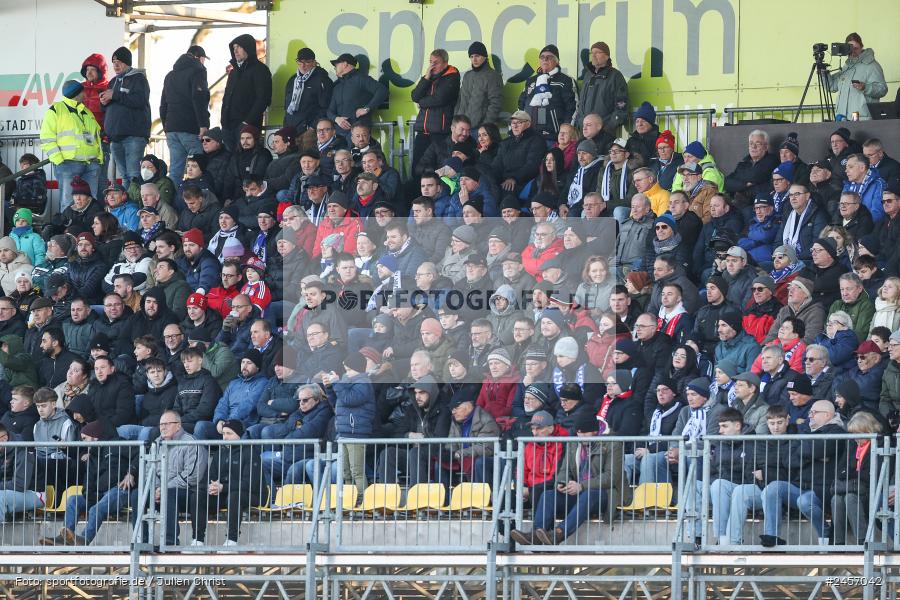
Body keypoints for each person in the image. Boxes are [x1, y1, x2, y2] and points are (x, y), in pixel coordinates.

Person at [519, 410, 623, 545]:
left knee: (589, 495)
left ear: (594, 431)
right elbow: (564, 470)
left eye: (585, 432)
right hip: (579, 491)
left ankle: (558, 533)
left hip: (606, 494)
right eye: (579, 432)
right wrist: (562, 483)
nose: (581, 436)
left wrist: (582, 486)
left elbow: (610, 477)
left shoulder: (613, 445)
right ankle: (536, 535)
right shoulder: (574, 443)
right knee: (548, 495)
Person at [760, 400, 846, 547]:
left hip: (822, 488)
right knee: (773, 488)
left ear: (827, 415)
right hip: (800, 485)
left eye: (814, 412)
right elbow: (788, 459)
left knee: (804, 502)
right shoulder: (805, 429)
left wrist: (804, 452)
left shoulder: (837, 431)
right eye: (810, 412)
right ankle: (772, 536)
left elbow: (816, 449)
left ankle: (824, 533)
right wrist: (813, 456)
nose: (810, 415)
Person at [38, 420, 134, 547]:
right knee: (73, 500)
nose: (83, 442)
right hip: (99, 494)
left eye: (84, 439)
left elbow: (139, 455)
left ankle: (83, 540)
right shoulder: (92, 455)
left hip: (120, 490)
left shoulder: (119, 444)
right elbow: (88, 481)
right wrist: (89, 496)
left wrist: (131, 472)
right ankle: (64, 539)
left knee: (96, 508)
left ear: (94, 437)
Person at [39, 80, 103, 212]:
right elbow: (47, 137)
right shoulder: (56, 110)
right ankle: (69, 231)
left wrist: (98, 159)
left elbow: (95, 137)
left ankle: (88, 231)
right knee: (68, 203)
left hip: (91, 164)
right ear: (76, 93)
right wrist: (59, 161)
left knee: (92, 203)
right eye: (82, 90)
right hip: (68, 165)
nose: (85, 93)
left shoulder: (86, 111)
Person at [207, 419, 265, 546]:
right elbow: (211, 476)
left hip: (253, 495)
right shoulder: (220, 453)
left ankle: (232, 539)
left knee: (235, 496)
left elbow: (249, 483)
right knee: (199, 495)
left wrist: (223, 487)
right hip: (226, 493)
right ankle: (198, 539)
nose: (225, 437)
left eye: (229, 434)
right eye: (223, 434)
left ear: (239, 435)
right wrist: (212, 486)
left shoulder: (249, 452)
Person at [101, 46, 151, 185]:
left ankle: (136, 206)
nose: (116, 65)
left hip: (133, 136)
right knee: (124, 176)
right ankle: (127, 206)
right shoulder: (113, 82)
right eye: (113, 62)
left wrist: (115, 95)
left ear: (127, 62)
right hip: (115, 138)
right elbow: (110, 107)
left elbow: (140, 100)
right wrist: (104, 102)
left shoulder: (138, 78)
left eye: (119, 61)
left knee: (133, 175)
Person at [160, 48, 210, 183]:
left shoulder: (170, 75)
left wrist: (166, 127)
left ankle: (174, 201)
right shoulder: (198, 71)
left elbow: (163, 105)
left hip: (172, 128)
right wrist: (203, 124)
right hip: (190, 127)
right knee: (198, 167)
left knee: (176, 170)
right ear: (199, 57)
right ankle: (197, 200)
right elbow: (199, 98)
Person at [410, 49, 461, 174]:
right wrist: (426, 78)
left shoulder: (452, 76)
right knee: (417, 168)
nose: (432, 66)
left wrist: (421, 103)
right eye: (430, 62)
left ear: (445, 63)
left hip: (440, 132)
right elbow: (415, 96)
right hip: (423, 130)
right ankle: (419, 193)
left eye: (436, 63)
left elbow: (439, 99)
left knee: (437, 169)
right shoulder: (428, 77)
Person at [221, 34, 272, 152]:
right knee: (231, 163)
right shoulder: (234, 72)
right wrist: (223, 121)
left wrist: (247, 122)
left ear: (248, 48)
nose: (235, 50)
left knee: (246, 160)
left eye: (239, 47)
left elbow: (263, 98)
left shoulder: (260, 70)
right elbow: (226, 98)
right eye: (233, 48)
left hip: (248, 127)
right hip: (228, 127)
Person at [517, 44, 577, 144]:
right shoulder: (531, 81)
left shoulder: (565, 80)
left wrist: (566, 131)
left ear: (557, 61)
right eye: (542, 57)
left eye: (549, 57)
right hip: (530, 136)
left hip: (553, 137)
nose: (545, 59)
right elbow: (521, 105)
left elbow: (572, 107)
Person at [826, 32, 887, 121]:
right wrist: (824, 74)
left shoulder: (872, 66)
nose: (853, 52)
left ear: (861, 47)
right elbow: (831, 87)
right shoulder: (847, 67)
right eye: (850, 48)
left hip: (862, 119)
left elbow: (883, 89)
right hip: (843, 119)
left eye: (856, 48)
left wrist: (865, 87)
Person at [326, 53, 388, 137]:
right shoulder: (337, 86)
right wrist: (337, 119)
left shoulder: (361, 79)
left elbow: (382, 90)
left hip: (358, 134)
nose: (334, 67)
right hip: (339, 134)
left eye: (336, 64)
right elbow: (330, 111)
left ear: (345, 64)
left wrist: (367, 108)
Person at [573, 41, 629, 133]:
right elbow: (581, 104)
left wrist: (608, 126)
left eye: (597, 53)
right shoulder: (587, 76)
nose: (593, 55)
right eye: (592, 53)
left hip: (605, 133)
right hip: (585, 132)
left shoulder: (615, 76)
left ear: (607, 56)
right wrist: (580, 122)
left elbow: (621, 105)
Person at [491, 110, 545, 196]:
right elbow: (497, 165)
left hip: (522, 182)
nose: (515, 126)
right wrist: (491, 179)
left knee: (504, 191)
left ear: (528, 124)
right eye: (513, 123)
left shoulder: (536, 141)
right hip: (504, 181)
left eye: (519, 123)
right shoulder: (505, 143)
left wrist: (514, 178)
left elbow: (532, 166)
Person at [0, 423, 44, 523]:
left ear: (4, 439)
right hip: (10, 490)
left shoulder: (22, 449)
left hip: (35, 493)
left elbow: (20, 484)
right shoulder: (2, 450)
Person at [283, 48, 333, 133]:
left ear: (314, 62)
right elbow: (287, 105)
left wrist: (312, 127)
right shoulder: (292, 80)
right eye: (300, 62)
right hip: (290, 128)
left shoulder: (322, 79)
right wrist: (285, 125)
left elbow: (325, 107)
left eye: (307, 62)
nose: (303, 65)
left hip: (310, 130)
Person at [724, 130, 780, 206]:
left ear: (766, 147)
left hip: (759, 205)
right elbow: (727, 182)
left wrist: (738, 186)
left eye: (758, 143)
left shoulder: (772, 161)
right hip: (739, 203)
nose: (754, 146)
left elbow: (754, 175)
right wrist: (745, 185)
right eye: (751, 143)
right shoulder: (743, 164)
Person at [454, 42, 503, 129]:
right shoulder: (467, 75)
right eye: (471, 57)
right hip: (461, 127)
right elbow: (460, 99)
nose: (474, 59)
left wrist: (485, 126)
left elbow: (495, 104)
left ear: (484, 57)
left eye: (477, 56)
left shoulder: (493, 76)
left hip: (478, 129)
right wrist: (456, 121)